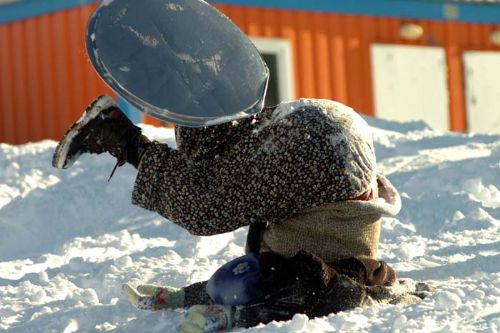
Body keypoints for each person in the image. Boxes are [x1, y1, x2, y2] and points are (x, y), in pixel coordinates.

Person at [53, 95, 427, 332]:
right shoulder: (329, 279)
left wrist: (186, 297)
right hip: (320, 154)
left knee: (214, 171)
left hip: (327, 126)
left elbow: (244, 282)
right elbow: (301, 298)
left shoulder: (317, 250)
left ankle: (197, 89)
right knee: (204, 208)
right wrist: (232, 318)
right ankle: (117, 132)